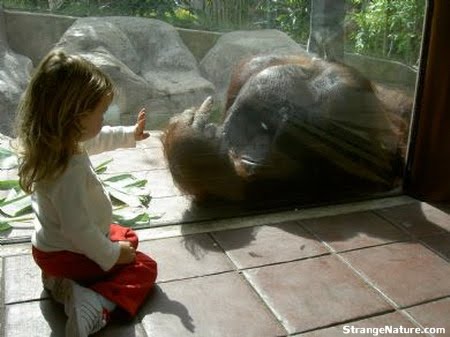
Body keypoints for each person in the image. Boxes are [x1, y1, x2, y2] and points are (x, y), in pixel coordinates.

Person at [14, 49, 158, 337]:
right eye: (100, 113)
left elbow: (99, 139)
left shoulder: (57, 145)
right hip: (69, 252)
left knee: (125, 235)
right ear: (73, 117)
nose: (104, 119)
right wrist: (112, 255)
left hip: (51, 249)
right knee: (143, 266)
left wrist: (130, 134)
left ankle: (61, 283)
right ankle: (96, 304)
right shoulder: (67, 170)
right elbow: (78, 230)